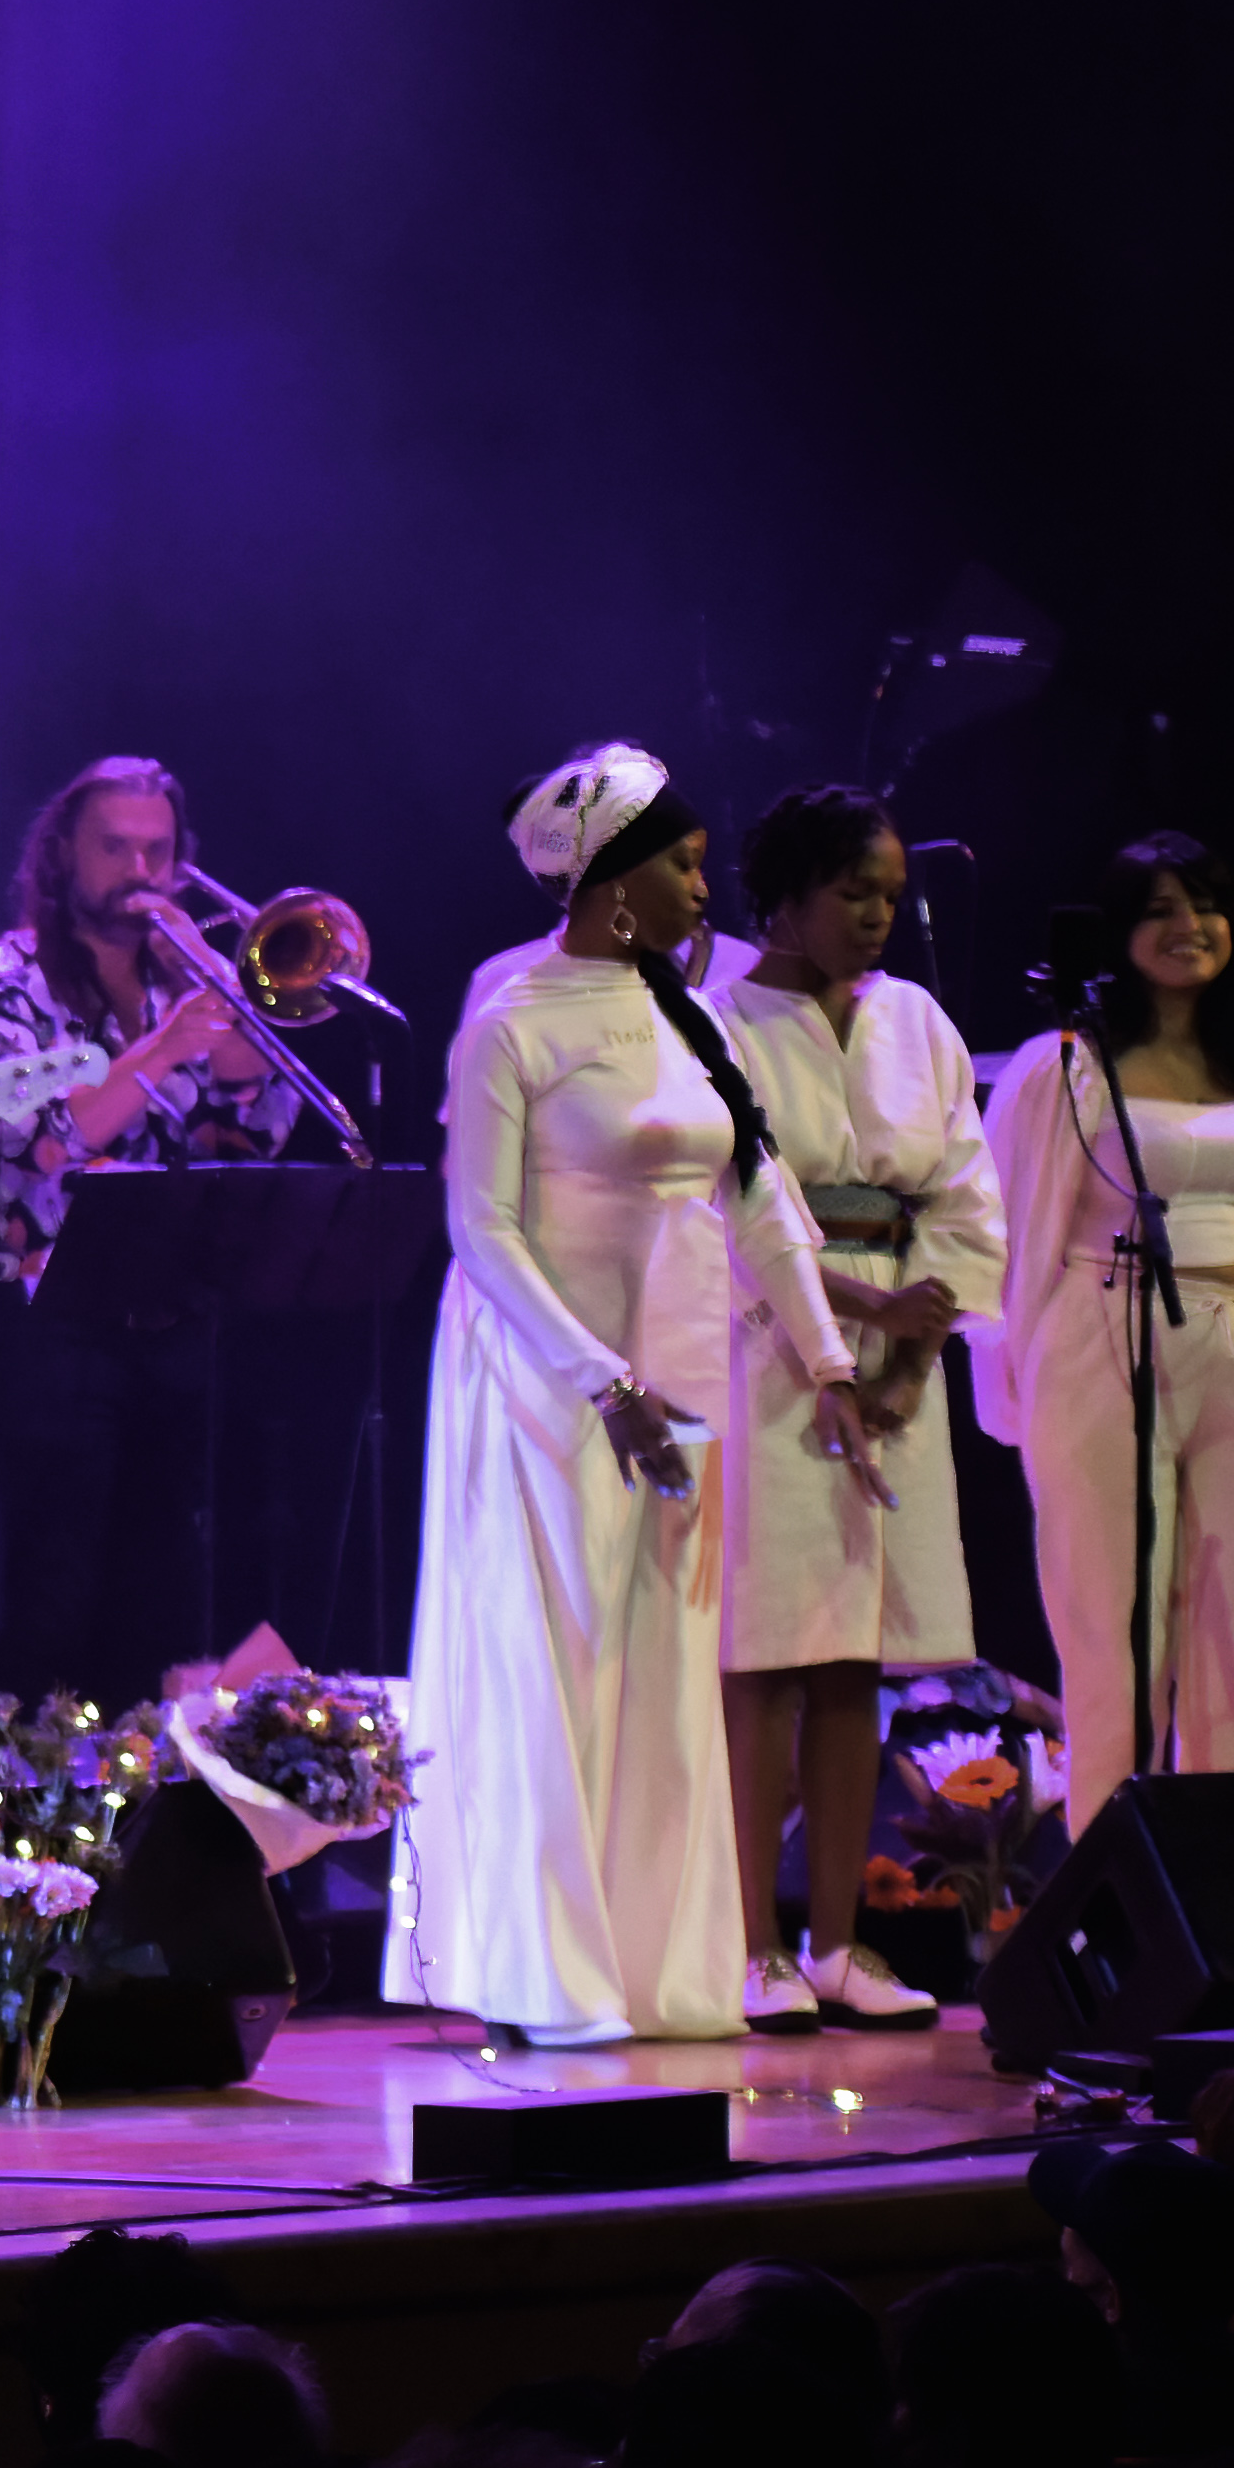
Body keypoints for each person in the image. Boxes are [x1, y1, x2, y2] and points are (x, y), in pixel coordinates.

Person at [388, 745, 848, 2053]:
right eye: (685, 862)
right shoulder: (512, 1015)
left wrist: (823, 1364)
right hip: (539, 1376)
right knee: (559, 1658)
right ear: (610, 880)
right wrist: (598, 1379)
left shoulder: (684, 1016)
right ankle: (547, 1972)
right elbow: (477, 1228)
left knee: (658, 1667)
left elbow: (761, 1198)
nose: (708, 886)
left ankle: (659, 1966)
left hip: (671, 1375)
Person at [706, 787, 993, 2034]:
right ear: (786, 896)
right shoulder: (717, 1021)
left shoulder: (916, 1021)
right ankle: (747, 1943)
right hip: (766, 1345)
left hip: (895, 1357)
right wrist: (856, 1328)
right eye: (853, 894)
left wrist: (909, 1357)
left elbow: (965, 1205)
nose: (879, 917)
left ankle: (837, 1942)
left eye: (891, 896)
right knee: (765, 1648)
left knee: (852, 1657)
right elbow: (721, 1214)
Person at [0, 756, 308, 1693]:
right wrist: (165, 1044)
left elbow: (256, 1140)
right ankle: (8, 1814)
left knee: (166, 1600)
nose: (139, 870)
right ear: (64, 853)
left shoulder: (196, 981)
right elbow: (34, 1139)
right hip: (50, 1321)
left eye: (157, 849)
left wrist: (231, 1047)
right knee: (55, 1599)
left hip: (178, 1317)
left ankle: (138, 1819)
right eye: (115, 847)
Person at [976, 831, 1234, 1838]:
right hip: (1105, 1332)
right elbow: (1018, 1233)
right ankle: (1109, 1896)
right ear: (1121, 931)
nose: (1187, 927)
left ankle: (1228, 1891)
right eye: (1160, 909)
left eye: (1204, 905)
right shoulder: (1066, 1065)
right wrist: (1018, 1382)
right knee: (1116, 1637)